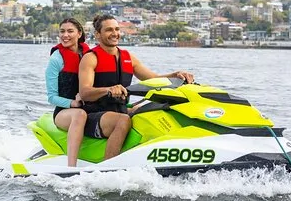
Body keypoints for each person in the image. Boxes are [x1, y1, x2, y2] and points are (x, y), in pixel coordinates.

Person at [78, 14, 194, 160]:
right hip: (94, 115)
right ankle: (109, 166)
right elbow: (84, 92)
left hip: (120, 109)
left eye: (117, 29)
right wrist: (108, 90)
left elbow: (153, 79)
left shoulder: (128, 57)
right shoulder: (90, 58)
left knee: (153, 110)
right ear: (97, 34)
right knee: (123, 120)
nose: (114, 33)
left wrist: (175, 75)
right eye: (109, 30)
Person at [45, 18, 91, 167]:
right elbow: (52, 97)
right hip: (64, 112)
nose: (65, 35)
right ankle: (71, 168)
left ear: (79, 33)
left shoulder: (89, 55)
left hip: (90, 106)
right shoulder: (56, 59)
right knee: (79, 114)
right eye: (62, 31)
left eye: (70, 31)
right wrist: (72, 103)